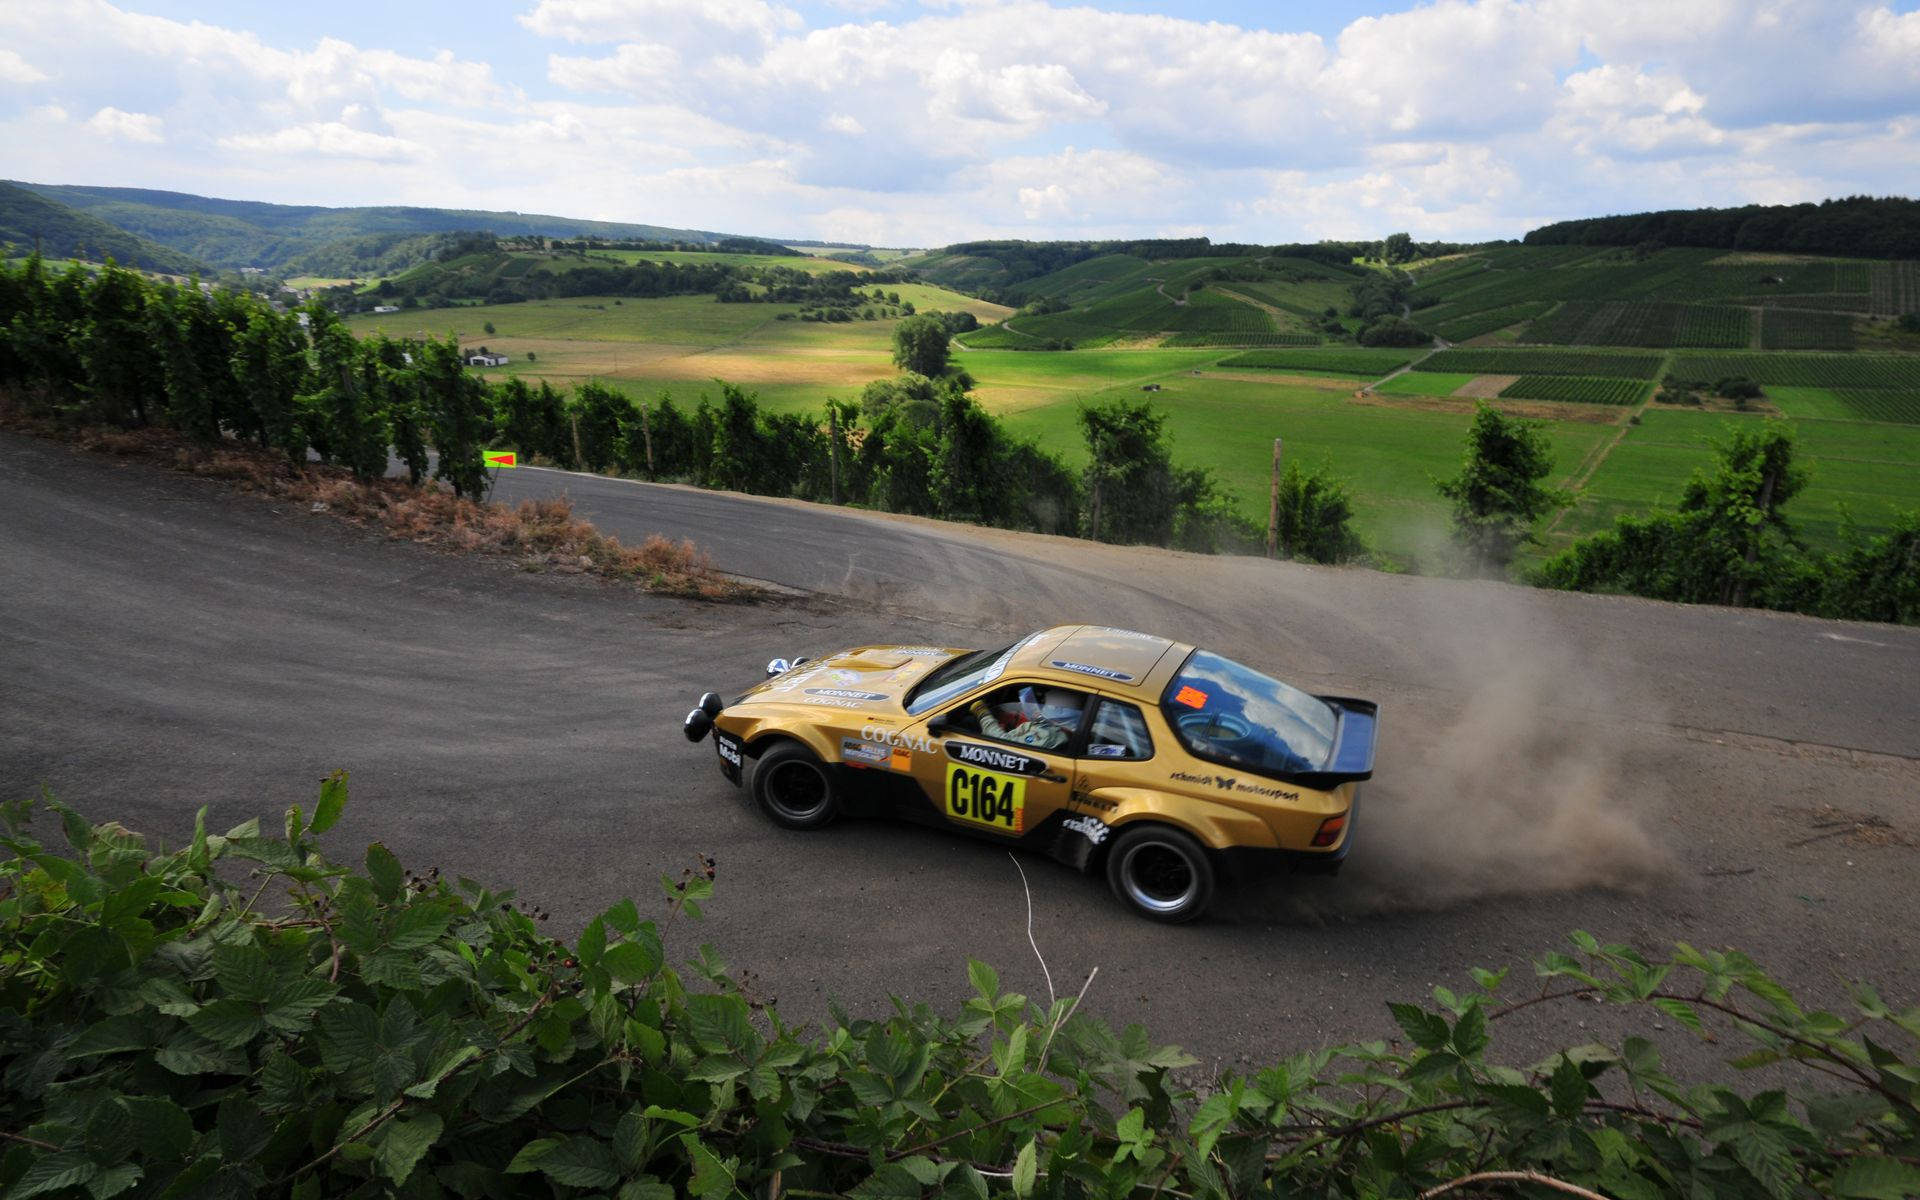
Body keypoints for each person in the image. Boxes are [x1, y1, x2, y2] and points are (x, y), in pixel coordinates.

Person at [969, 686, 1082, 750]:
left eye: (1045, 705)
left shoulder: (1047, 735)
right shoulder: (1055, 728)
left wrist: (982, 714)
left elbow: (1002, 741)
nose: (1040, 710)